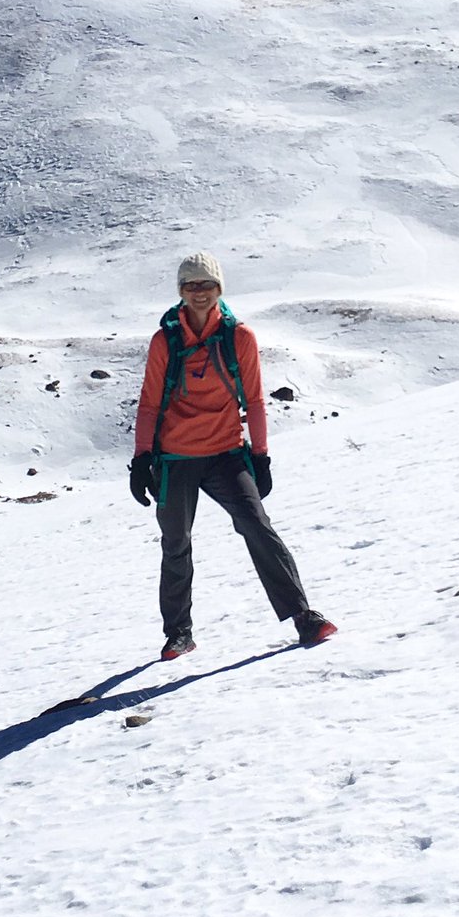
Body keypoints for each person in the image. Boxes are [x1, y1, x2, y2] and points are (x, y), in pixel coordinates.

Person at [129, 251, 336, 660]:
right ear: (181, 292)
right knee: (176, 543)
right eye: (190, 286)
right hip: (174, 459)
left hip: (226, 452)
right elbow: (150, 403)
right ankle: (179, 634)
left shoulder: (239, 337)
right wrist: (141, 459)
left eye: (206, 284)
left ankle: (303, 617)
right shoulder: (165, 341)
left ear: (219, 288)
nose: (199, 293)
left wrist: (260, 456)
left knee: (258, 526)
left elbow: (255, 400)